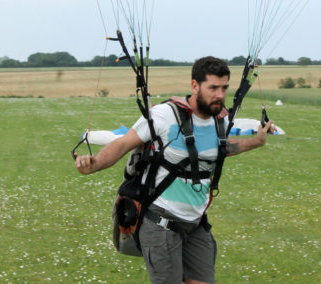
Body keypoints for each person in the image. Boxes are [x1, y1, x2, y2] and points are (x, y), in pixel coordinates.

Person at [75, 56, 273, 284]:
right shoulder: (164, 115)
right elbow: (122, 143)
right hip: (161, 222)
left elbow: (219, 149)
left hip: (196, 223)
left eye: (224, 88)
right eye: (213, 88)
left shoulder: (219, 120)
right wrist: (96, 163)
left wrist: (257, 141)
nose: (220, 94)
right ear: (195, 85)